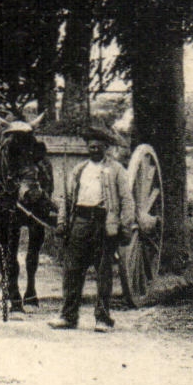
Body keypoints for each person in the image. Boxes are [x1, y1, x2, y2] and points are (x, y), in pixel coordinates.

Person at [51, 123, 136, 331]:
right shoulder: (79, 170)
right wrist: (62, 222)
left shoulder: (116, 170)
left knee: (103, 271)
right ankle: (68, 316)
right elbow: (66, 198)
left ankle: (103, 318)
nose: (94, 149)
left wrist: (125, 227)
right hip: (79, 222)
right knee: (72, 270)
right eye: (91, 146)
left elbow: (127, 200)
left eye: (98, 146)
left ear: (106, 148)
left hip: (103, 223)